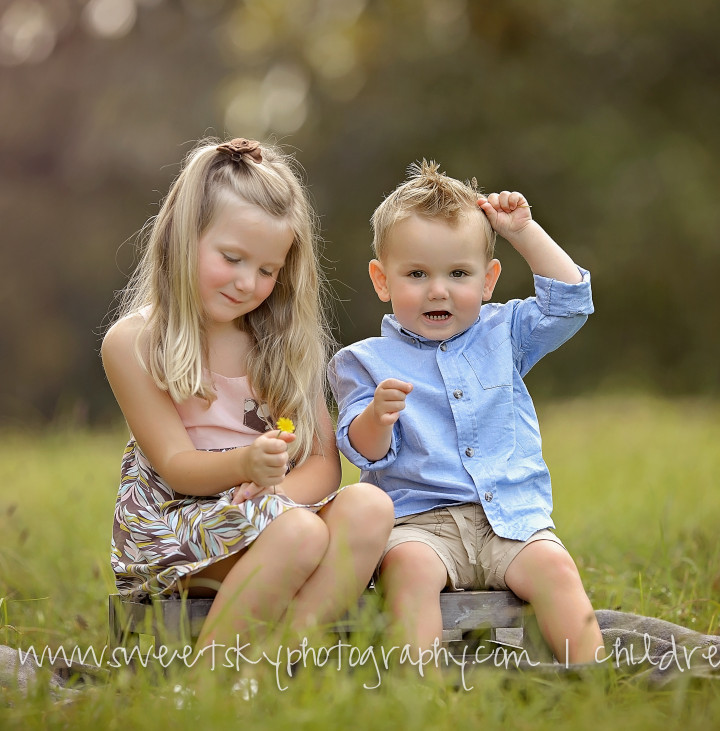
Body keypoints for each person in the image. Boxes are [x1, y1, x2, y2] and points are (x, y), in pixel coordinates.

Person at [103, 137, 394, 648]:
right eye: (232, 258)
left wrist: (275, 500)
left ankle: (284, 659)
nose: (247, 283)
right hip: (178, 527)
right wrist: (246, 467)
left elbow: (324, 466)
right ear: (181, 236)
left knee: (369, 506)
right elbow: (174, 463)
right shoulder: (136, 342)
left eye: (267, 270)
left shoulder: (280, 346)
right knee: (299, 534)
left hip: (269, 513)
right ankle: (210, 680)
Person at [328, 160, 604, 664]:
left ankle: (590, 681)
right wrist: (378, 418)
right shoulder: (364, 362)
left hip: (510, 520)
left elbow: (570, 304)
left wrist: (522, 231)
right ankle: (422, 696)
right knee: (407, 574)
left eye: (458, 273)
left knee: (558, 571)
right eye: (417, 274)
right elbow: (359, 450)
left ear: (488, 279)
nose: (439, 289)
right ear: (381, 280)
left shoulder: (506, 333)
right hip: (421, 524)